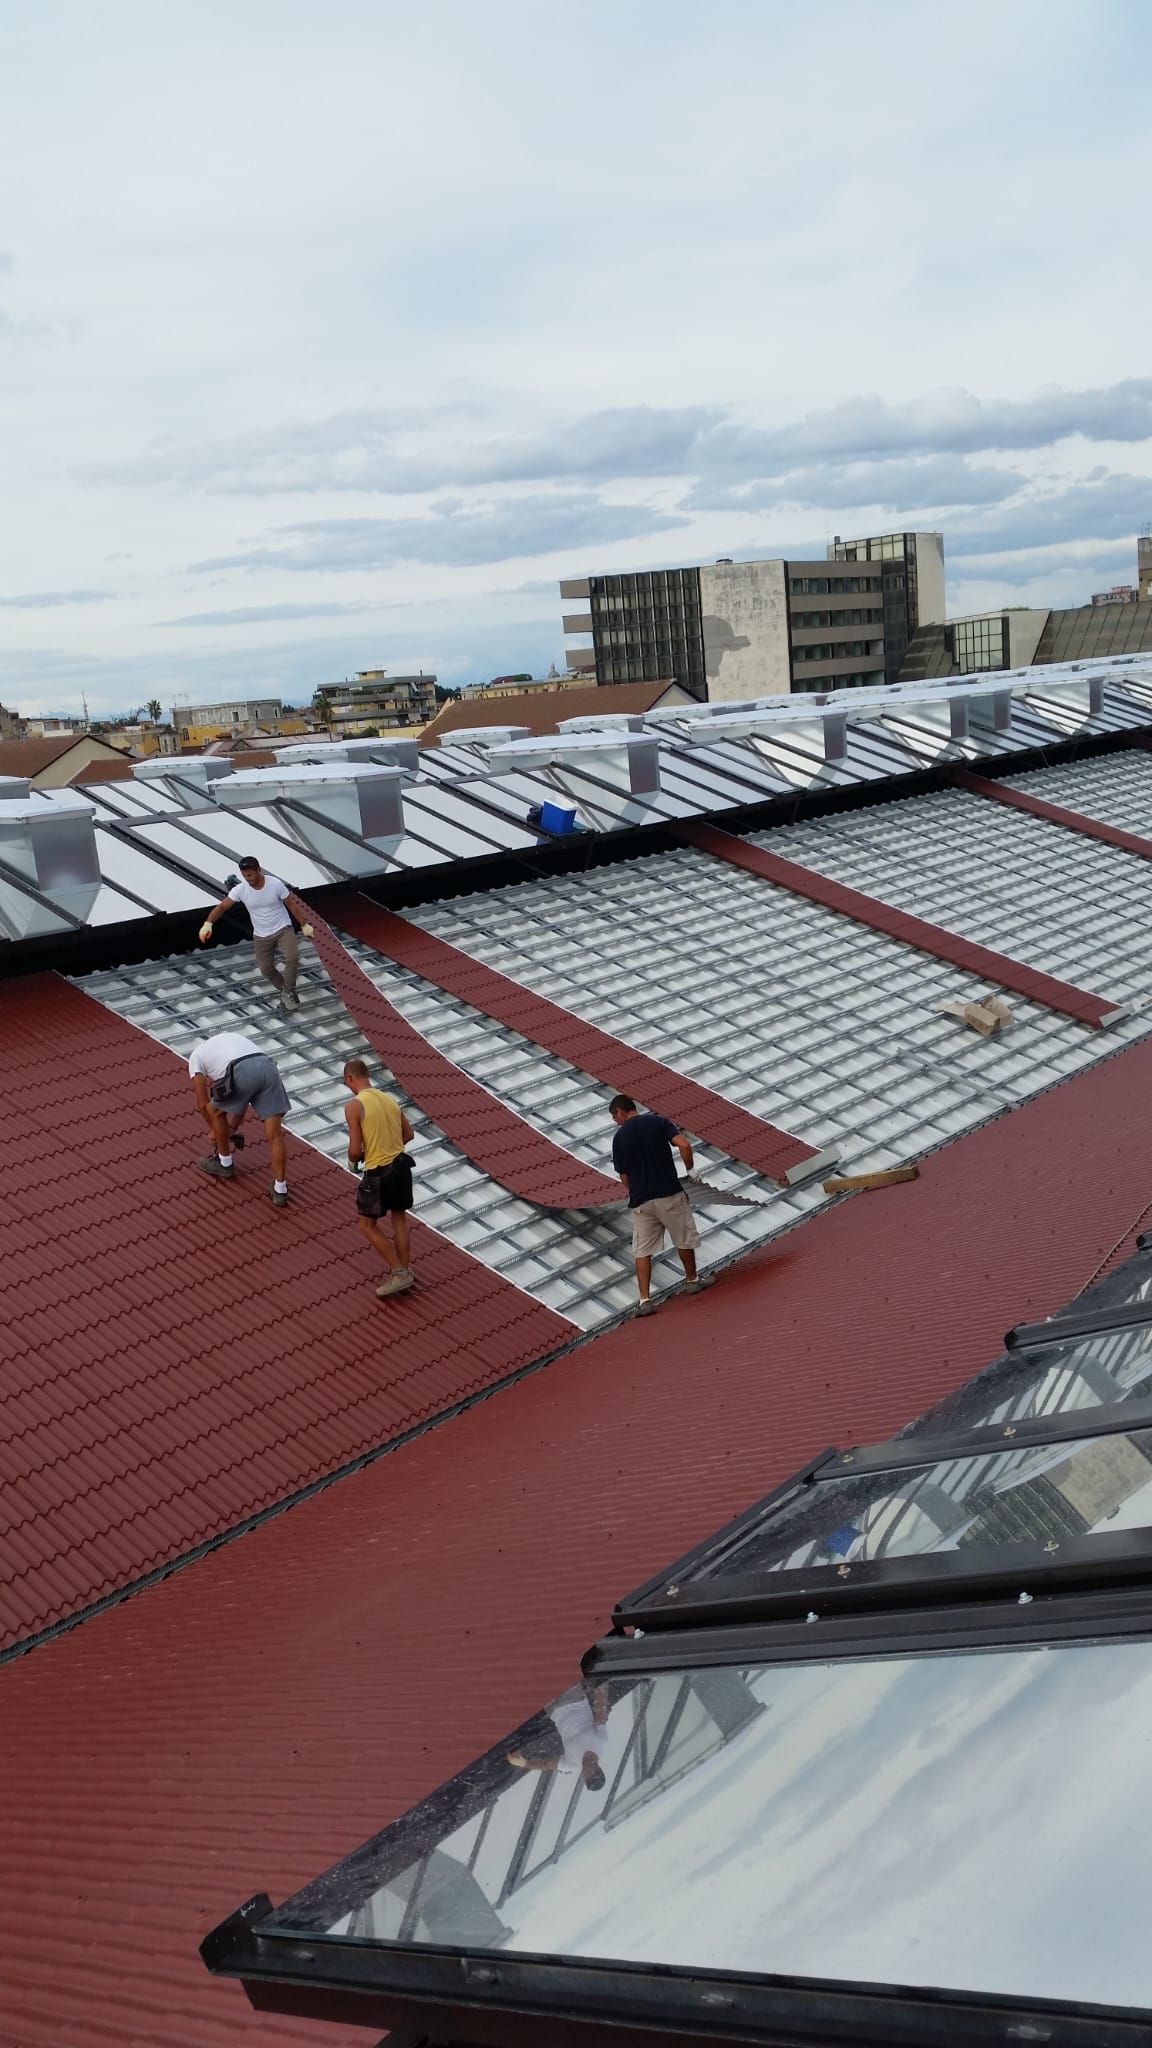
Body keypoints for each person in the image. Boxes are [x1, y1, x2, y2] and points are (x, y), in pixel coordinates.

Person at [610, 1092, 715, 1315]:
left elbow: (624, 1176)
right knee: (682, 1238)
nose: (615, 1121)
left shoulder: (619, 1138)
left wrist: (636, 1190)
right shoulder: (658, 1121)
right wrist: (691, 1171)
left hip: (641, 1202)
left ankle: (645, 1300)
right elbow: (684, 1145)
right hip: (668, 1193)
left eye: (614, 1116)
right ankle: (692, 1280)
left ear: (620, 1111)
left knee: (642, 1251)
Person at [189, 1029, 292, 1207]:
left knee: (214, 1110)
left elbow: (202, 1103)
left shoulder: (196, 1057)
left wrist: (214, 1130)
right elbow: (242, 1099)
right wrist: (231, 1129)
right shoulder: (229, 1040)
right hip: (268, 1067)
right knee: (275, 1134)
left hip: (242, 1068)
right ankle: (280, 1189)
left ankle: (224, 1163)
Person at [198, 857, 315, 1012]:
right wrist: (208, 924)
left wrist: (304, 924)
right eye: (245, 876)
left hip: (282, 929)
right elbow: (222, 908)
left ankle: (288, 992)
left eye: (250, 875)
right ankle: (288, 992)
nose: (248, 879)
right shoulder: (241, 890)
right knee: (266, 969)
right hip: (261, 935)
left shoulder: (275, 884)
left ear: (259, 870)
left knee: (292, 957)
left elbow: (292, 905)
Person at [343, 1058, 417, 1299]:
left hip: (378, 1172)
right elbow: (408, 1133)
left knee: (367, 1225)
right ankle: (404, 1272)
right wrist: (388, 1145)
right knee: (399, 1218)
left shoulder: (354, 1105)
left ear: (350, 1079)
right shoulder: (389, 1099)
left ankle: (399, 1273)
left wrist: (358, 1157)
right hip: (401, 1165)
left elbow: (355, 1150)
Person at [507, 1683, 609, 1791]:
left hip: (553, 1710)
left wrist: (524, 1763)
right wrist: (600, 1686)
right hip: (573, 1697)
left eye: (585, 1774)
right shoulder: (601, 1741)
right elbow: (600, 1712)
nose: (585, 1770)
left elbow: (546, 1764)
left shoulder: (571, 1764)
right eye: (590, 1772)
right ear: (598, 1768)